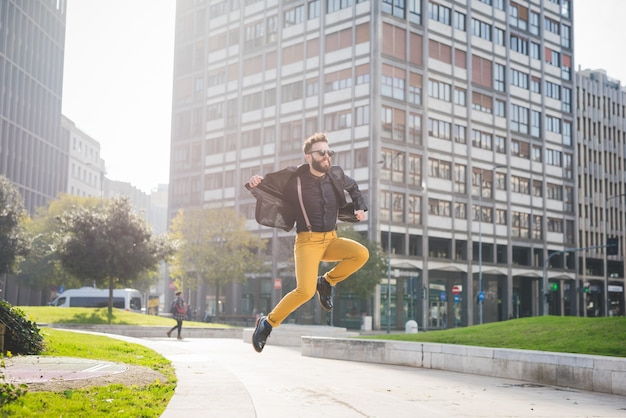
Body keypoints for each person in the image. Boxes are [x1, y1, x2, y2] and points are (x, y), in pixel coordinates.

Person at [246, 132, 369, 353]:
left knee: (361, 254)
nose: (326, 156)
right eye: (321, 153)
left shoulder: (336, 175)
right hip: (307, 242)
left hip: (331, 238)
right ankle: (267, 323)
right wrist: (256, 182)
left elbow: (354, 188)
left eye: (329, 152)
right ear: (308, 157)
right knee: (305, 291)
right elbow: (269, 187)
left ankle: (328, 281)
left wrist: (360, 207)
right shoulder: (295, 179)